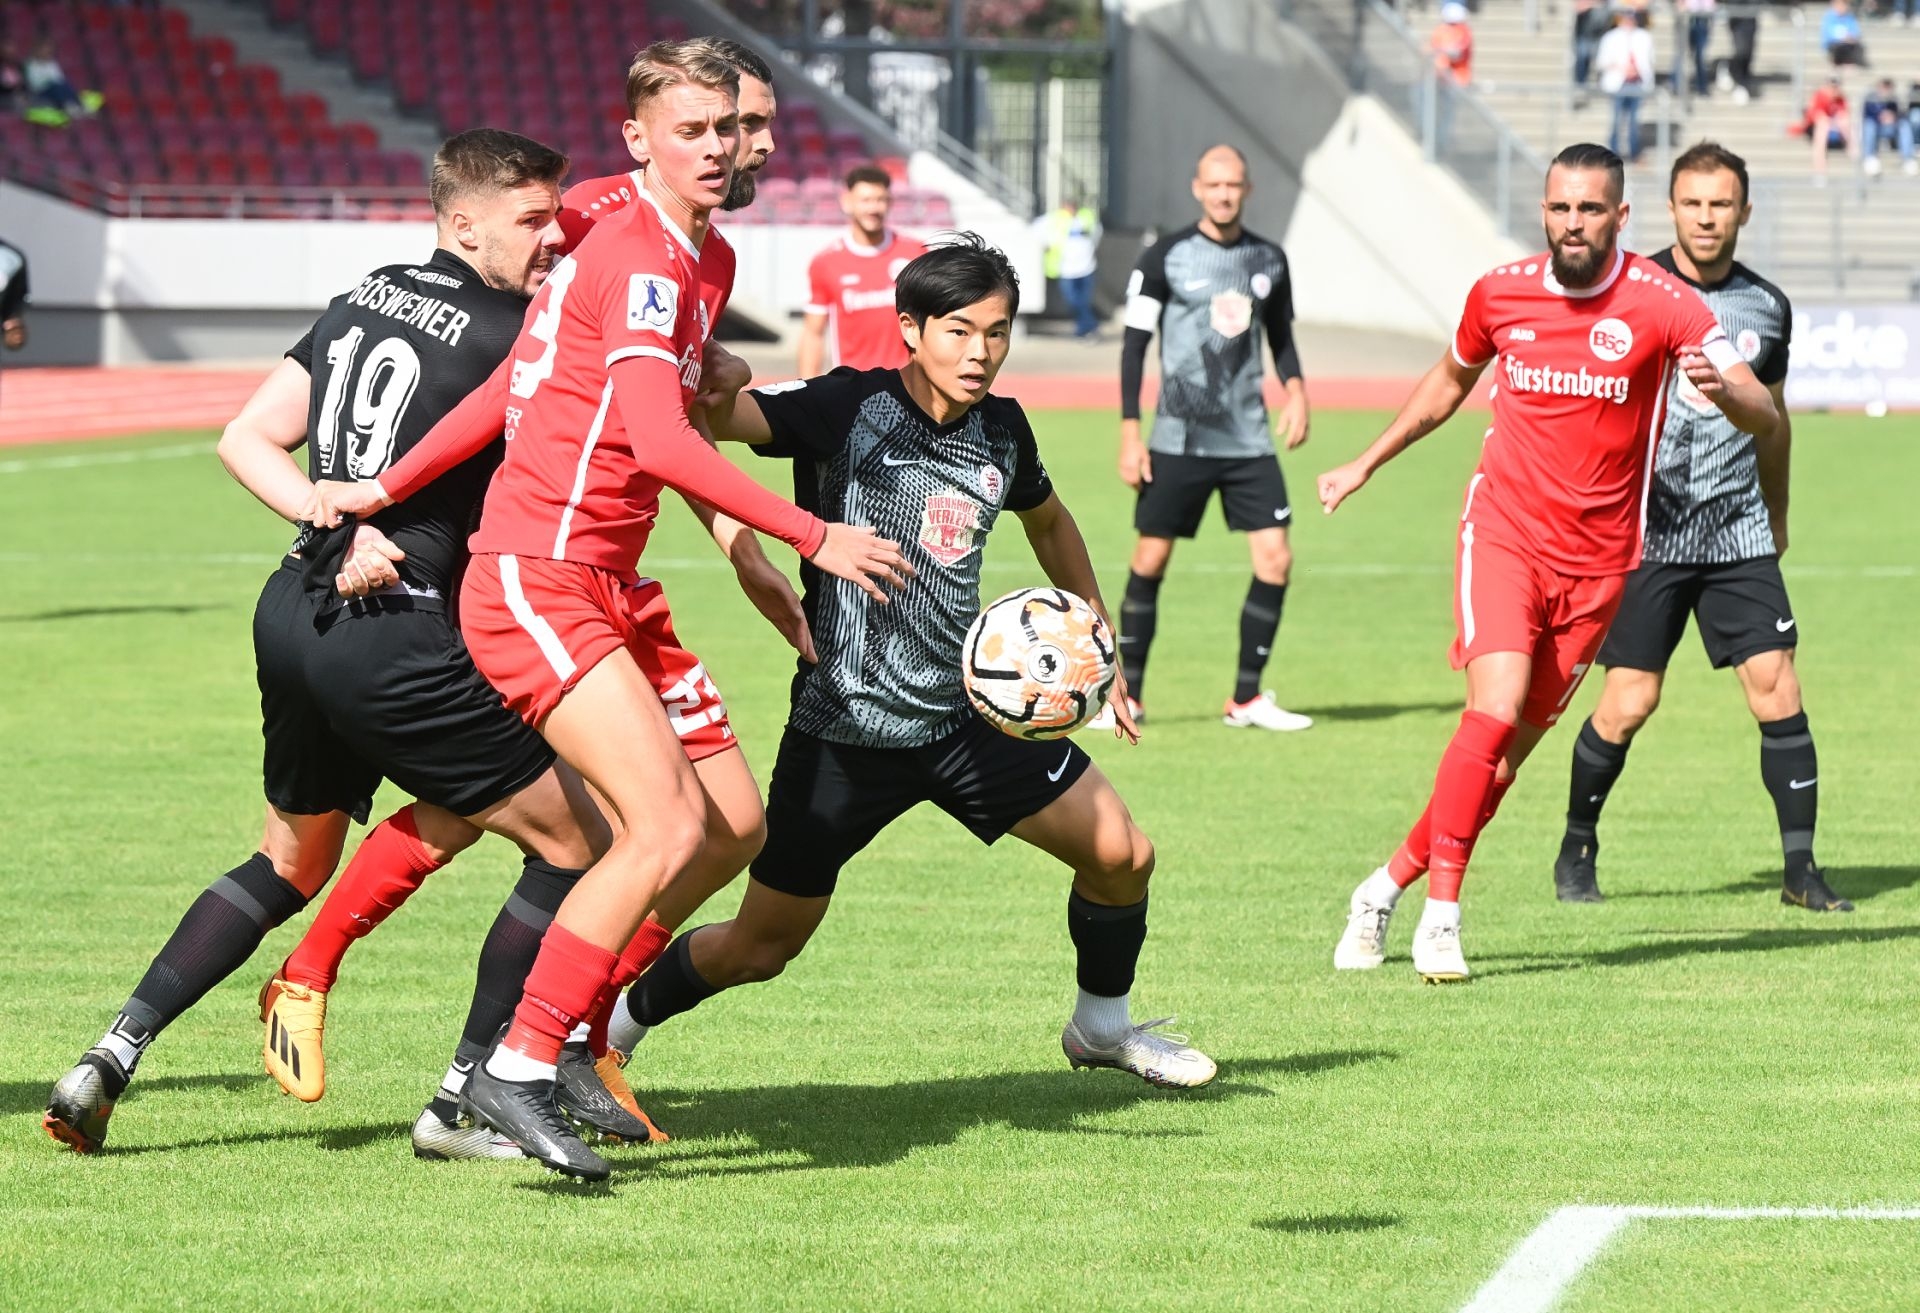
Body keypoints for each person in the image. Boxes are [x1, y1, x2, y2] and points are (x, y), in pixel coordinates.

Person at [306, 42, 911, 1181]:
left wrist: (385, 484)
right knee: (655, 825)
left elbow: (538, 381)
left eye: (735, 127)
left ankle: (565, 1040)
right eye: (698, 130)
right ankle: (512, 1060)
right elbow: (653, 432)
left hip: (610, 581)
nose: (726, 149)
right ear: (638, 138)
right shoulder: (618, 240)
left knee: (731, 824)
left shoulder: (698, 254)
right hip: (538, 571)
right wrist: (809, 533)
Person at [40, 129, 630, 1157]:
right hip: (395, 626)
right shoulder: (514, 332)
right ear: (463, 223)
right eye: (534, 220)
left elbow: (245, 437)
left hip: (292, 609)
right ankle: (462, 1102)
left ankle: (109, 1054)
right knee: (586, 840)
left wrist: (328, 518)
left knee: (290, 860)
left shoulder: (370, 291)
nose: (555, 238)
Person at [606, 235, 1215, 1093]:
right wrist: (726, 407)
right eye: (959, 331)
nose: (980, 353)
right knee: (760, 946)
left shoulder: (1002, 428)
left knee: (1122, 853)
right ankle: (612, 1031)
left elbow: (1048, 520)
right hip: (844, 729)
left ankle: (1102, 1027)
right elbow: (705, 421)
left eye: (997, 333)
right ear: (910, 329)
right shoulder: (846, 406)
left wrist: (1096, 640)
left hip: (968, 715)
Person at [1320, 142, 1776, 984]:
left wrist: (1729, 393)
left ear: (1620, 216)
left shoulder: (1664, 303)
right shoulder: (1499, 293)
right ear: (1543, 210)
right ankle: (1442, 918)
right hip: (1503, 536)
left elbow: (1761, 409)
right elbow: (1446, 384)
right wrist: (1364, 462)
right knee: (1490, 712)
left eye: (1590, 208)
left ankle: (1381, 889)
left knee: (1499, 766)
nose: (1573, 222)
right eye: (1560, 207)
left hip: (1599, 568)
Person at [1554, 142, 1849, 914]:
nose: (1707, 217)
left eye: (1721, 203)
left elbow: (1774, 420)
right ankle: (1577, 846)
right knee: (1629, 701)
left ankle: (1800, 870)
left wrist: (1777, 509)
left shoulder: (1768, 306)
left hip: (1736, 532)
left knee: (1778, 686)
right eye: (1693, 203)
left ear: (1744, 211)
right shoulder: (1632, 291)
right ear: (1671, 210)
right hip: (1647, 533)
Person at [1106, 144, 1313, 733]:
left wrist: (1296, 390)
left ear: (1247, 190)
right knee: (1150, 558)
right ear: (1198, 188)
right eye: (1214, 185)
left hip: (1248, 440)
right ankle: (1129, 696)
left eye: (1233, 185)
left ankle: (1246, 699)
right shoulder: (1164, 256)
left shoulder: (1269, 258)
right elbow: (1134, 345)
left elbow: (1281, 336)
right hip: (1178, 438)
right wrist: (1130, 432)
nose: (1224, 194)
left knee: (1276, 559)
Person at [797, 164, 928, 375]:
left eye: (880, 200)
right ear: (847, 202)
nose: (873, 208)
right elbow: (813, 333)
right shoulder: (826, 262)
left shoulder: (916, 252)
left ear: (890, 202)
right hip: (853, 384)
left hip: (908, 382)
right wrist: (807, 388)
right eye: (865, 200)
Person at [1039, 195, 1103, 340]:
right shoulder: (1055, 218)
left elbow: (1097, 232)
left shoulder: (1086, 217)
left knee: (1084, 300)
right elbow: (1038, 230)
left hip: (1087, 267)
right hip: (1066, 269)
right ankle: (1091, 326)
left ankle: (1083, 330)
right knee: (1073, 300)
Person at [1596, 10, 1655, 164]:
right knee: (1616, 119)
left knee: (1634, 121)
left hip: (1637, 83)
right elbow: (1602, 61)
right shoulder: (1610, 37)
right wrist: (1622, 68)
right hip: (1618, 84)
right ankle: (1613, 152)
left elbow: (1649, 60)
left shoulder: (1644, 37)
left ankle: (1634, 152)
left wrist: (1638, 71)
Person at [1428, 2, 1473, 149]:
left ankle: (1443, 143)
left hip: (1456, 80)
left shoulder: (1463, 32)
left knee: (1448, 115)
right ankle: (1437, 141)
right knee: (1437, 113)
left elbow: (1457, 53)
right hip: (1440, 79)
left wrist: (1443, 51)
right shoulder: (1441, 30)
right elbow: (1431, 50)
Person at [1802, 76, 1855, 181]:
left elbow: (1845, 113)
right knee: (1822, 126)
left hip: (1834, 128)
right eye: (1832, 87)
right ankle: (1820, 170)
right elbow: (1813, 115)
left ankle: (1853, 151)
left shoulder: (1840, 99)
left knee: (1845, 122)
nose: (1834, 90)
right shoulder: (1819, 96)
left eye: (1836, 87)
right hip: (1817, 128)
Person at [1860, 76, 1917, 173]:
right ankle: (1869, 157)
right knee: (1869, 125)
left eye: (1888, 87)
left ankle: (1908, 159)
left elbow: (1902, 114)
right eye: (1884, 86)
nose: (1885, 90)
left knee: (1904, 125)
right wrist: (1879, 116)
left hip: (1891, 128)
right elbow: (1867, 115)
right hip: (1876, 127)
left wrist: (1893, 117)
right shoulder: (1870, 99)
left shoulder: (1894, 100)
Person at [1676, 0, 1716, 99]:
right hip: (1688, 17)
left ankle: (1702, 86)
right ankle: (1676, 84)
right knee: (1681, 54)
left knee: (1700, 56)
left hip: (1702, 18)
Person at [1725, 8, 1759, 103]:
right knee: (1741, 51)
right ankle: (1738, 78)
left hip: (1750, 18)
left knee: (1748, 52)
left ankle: (1744, 79)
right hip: (1737, 19)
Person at [1823, 0, 1867, 67]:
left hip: (1848, 42)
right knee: (1839, 47)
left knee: (1858, 46)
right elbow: (1829, 34)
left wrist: (1851, 37)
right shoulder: (1829, 17)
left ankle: (1855, 63)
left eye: (1843, 5)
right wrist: (1842, 37)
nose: (1841, 7)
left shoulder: (1849, 17)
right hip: (1834, 43)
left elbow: (1855, 30)